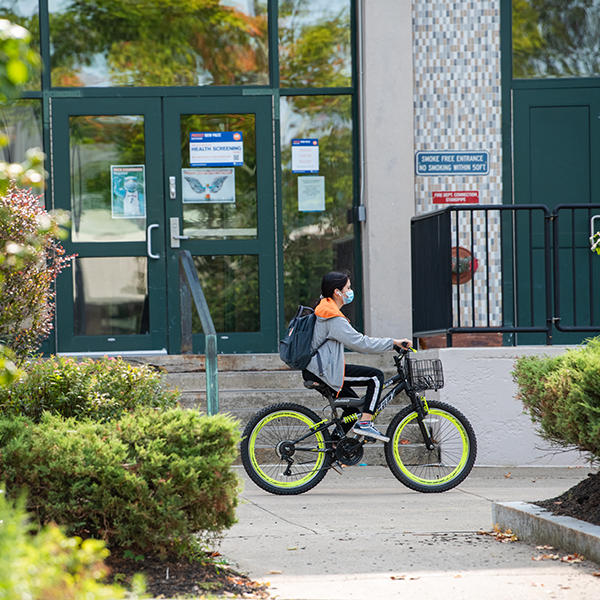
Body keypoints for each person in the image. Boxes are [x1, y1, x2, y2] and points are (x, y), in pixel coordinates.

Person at [302, 271, 412, 442]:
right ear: (337, 292)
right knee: (376, 377)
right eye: (348, 287)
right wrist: (393, 343)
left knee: (352, 408)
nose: (350, 291)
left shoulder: (324, 309)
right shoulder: (332, 317)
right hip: (324, 371)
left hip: (318, 369)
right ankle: (365, 423)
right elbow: (361, 343)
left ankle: (332, 447)